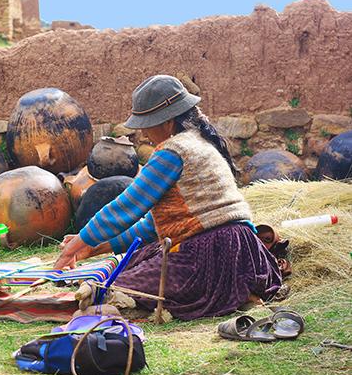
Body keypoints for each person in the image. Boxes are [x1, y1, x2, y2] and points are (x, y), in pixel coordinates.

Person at [54, 75, 282, 320]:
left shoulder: (172, 153)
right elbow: (152, 229)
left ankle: (225, 292)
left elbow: (125, 208)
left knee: (115, 286)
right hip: (245, 253)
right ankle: (239, 291)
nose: (142, 131)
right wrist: (90, 248)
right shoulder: (200, 142)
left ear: (167, 121)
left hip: (208, 256)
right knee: (140, 256)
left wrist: (73, 249)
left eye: (145, 123)